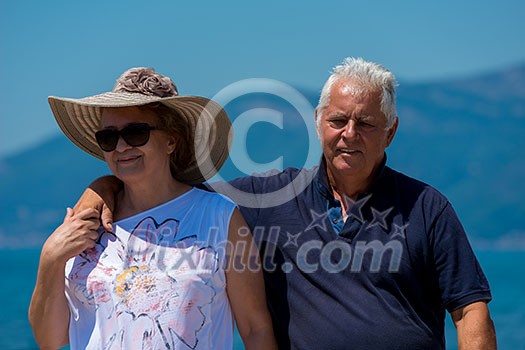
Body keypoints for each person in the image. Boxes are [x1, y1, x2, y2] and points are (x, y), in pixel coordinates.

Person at [72, 58, 497, 349]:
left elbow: (470, 309)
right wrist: (103, 186)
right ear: (318, 123)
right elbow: (169, 189)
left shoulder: (426, 206)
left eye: (366, 123)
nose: (349, 133)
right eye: (338, 120)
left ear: (390, 132)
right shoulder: (266, 197)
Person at [28, 67, 277, 350]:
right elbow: (50, 340)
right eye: (108, 138)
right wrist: (50, 259)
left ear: (171, 140)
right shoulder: (86, 224)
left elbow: (255, 328)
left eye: (136, 133)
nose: (121, 146)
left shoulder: (220, 217)